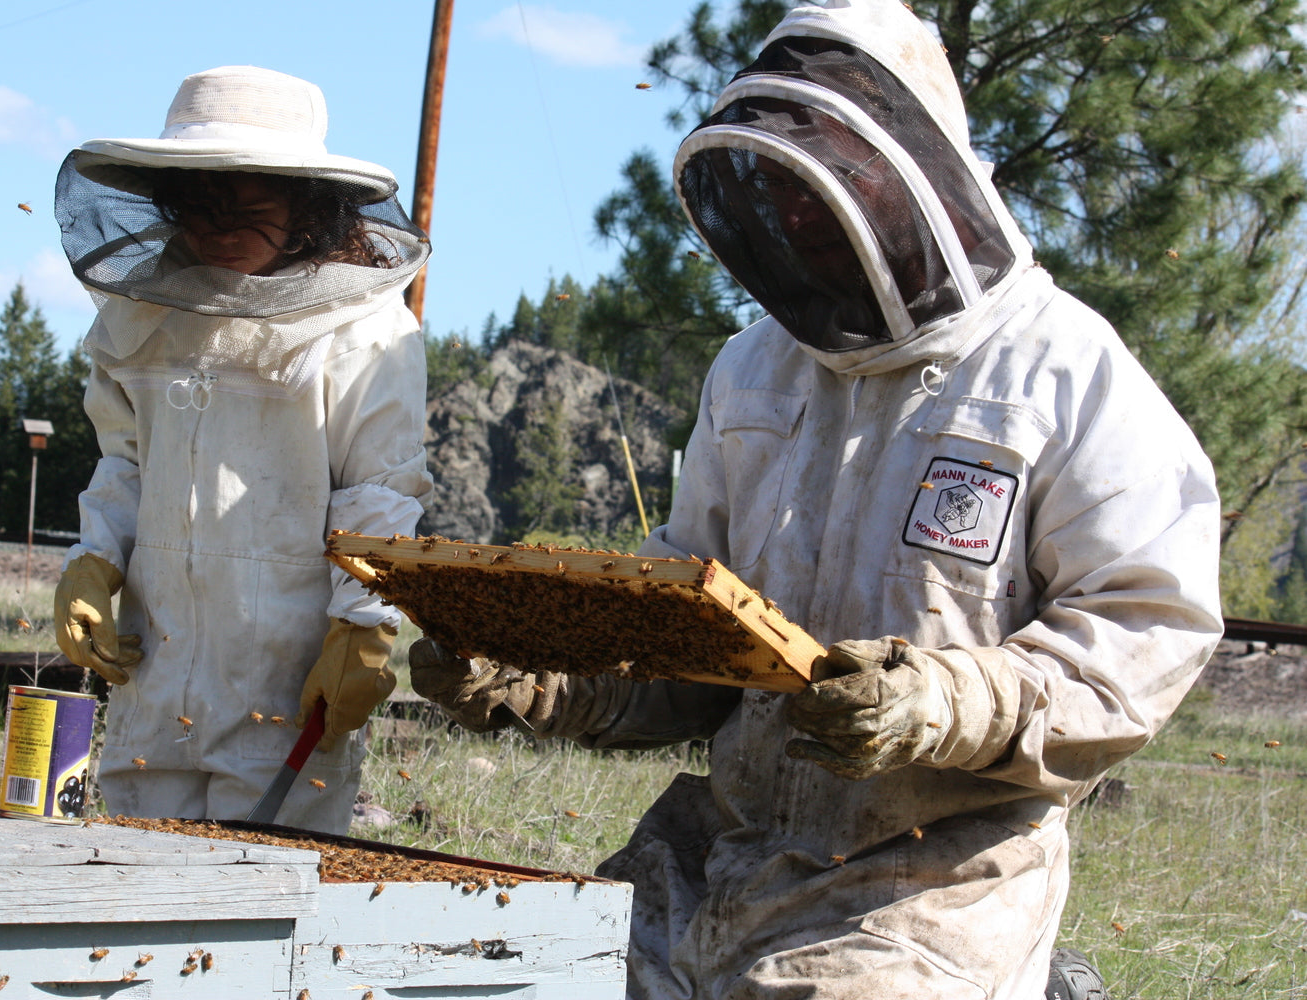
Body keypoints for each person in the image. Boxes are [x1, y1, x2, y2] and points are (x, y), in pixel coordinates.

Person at [410, 2, 1221, 997]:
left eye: (826, 182)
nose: (798, 219)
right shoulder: (752, 373)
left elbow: (1142, 639)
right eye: (781, 191)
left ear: (922, 171)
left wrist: (939, 703)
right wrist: (544, 673)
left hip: (927, 883)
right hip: (714, 854)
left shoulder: (1066, 376)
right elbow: (692, 650)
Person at [53, 66, 432, 834]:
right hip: (155, 675)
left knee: (258, 920)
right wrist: (94, 561)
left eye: (251, 211)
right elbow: (126, 460)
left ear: (308, 211)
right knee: (132, 904)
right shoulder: (141, 317)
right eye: (202, 208)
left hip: (285, 689)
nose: (221, 231)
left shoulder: (365, 327)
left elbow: (379, 489)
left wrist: (363, 625)